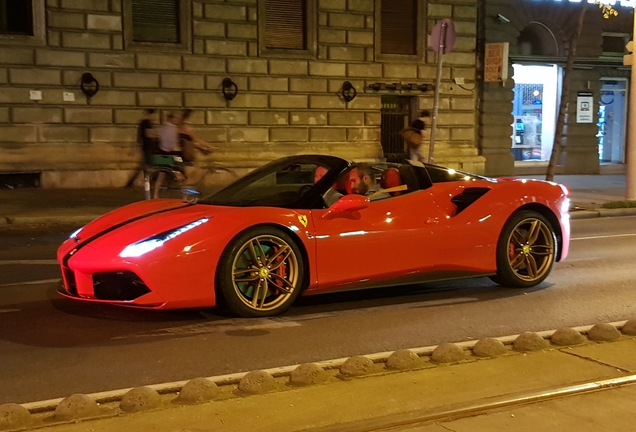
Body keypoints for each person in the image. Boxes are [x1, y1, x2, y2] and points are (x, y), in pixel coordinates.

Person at [177, 109, 216, 193]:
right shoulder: (186, 128)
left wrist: (204, 147)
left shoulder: (180, 126)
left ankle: (187, 191)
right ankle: (185, 195)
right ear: (188, 117)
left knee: (192, 173)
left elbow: (191, 142)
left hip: (183, 154)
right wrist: (208, 146)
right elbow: (195, 140)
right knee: (194, 175)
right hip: (187, 155)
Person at [125, 108, 158, 188]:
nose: (155, 117)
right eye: (155, 115)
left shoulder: (143, 123)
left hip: (145, 146)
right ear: (151, 114)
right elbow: (148, 134)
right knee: (147, 165)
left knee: (145, 165)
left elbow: (138, 136)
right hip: (147, 147)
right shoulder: (146, 123)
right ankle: (145, 181)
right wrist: (157, 136)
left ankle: (135, 182)